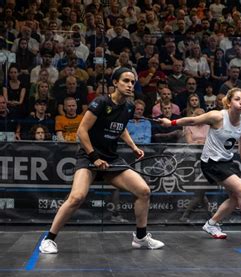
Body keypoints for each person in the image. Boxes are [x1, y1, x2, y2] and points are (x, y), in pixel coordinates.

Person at [39, 67, 165, 254]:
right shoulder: (100, 102)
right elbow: (81, 131)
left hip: (111, 159)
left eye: (132, 82)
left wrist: (133, 147)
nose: (130, 85)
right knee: (76, 197)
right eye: (125, 81)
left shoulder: (129, 107)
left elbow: (120, 128)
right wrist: (94, 158)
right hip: (89, 157)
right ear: (115, 83)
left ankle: (140, 237)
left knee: (144, 191)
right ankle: (48, 239)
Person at [157, 88, 241, 239]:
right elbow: (193, 120)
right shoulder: (217, 116)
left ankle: (211, 224)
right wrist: (171, 122)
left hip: (227, 162)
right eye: (237, 99)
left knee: (236, 197)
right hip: (211, 163)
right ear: (229, 102)